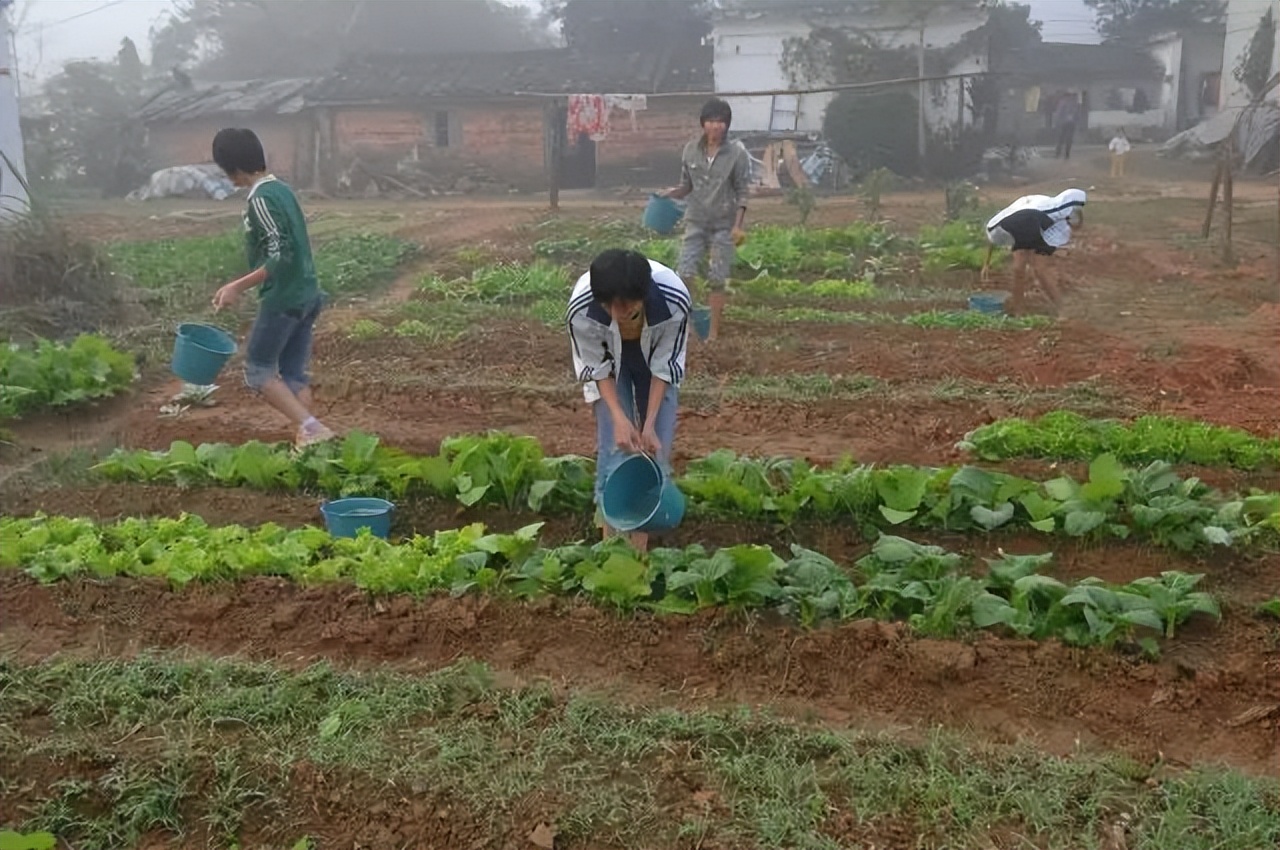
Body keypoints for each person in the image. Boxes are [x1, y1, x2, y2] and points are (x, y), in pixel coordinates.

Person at [209, 127, 334, 449]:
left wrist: (236, 286)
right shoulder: (282, 190)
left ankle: (313, 428)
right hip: (307, 293)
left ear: (232, 167)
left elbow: (279, 255)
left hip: (284, 299)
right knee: (294, 375)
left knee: (259, 371)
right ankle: (307, 444)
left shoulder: (261, 199)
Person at [567, 248, 690, 553]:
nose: (615, 314)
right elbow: (597, 367)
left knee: (655, 444)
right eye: (609, 306)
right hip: (610, 363)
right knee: (614, 441)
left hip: (652, 360)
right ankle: (609, 546)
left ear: (642, 295)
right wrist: (620, 418)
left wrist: (648, 425)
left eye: (625, 307)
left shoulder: (674, 300)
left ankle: (639, 549)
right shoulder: (583, 308)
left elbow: (664, 365)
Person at [663, 97, 750, 342]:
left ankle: (713, 333)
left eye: (721, 122)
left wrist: (737, 225)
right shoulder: (690, 150)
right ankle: (688, 327)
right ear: (703, 124)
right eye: (712, 121)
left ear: (727, 126)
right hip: (696, 220)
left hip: (724, 223)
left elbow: (743, 191)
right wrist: (671, 193)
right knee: (685, 273)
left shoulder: (736, 155)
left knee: (717, 278)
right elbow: (685, 185)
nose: (716, 126)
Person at [981, 188, 1087, 315]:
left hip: (1038, 222)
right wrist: (986, 264)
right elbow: (992, 237)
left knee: (1038, 269)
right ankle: (1018, 309)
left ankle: (1062, 309)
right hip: (1026, 220)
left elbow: (1075, 224)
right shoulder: (1008, 222)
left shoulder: (1052, 216)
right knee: (1020, 269)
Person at [1053, 92, 1080, 160]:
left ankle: (1059, 153)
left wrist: (1058, 121)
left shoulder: (1062, 103)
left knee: (1062, 138)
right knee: (1068, 139)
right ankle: (1066, 154)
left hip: (1064, 123)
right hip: (1070, 123)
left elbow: (1059, 113)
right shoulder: (1073, 103)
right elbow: (1076, 113)